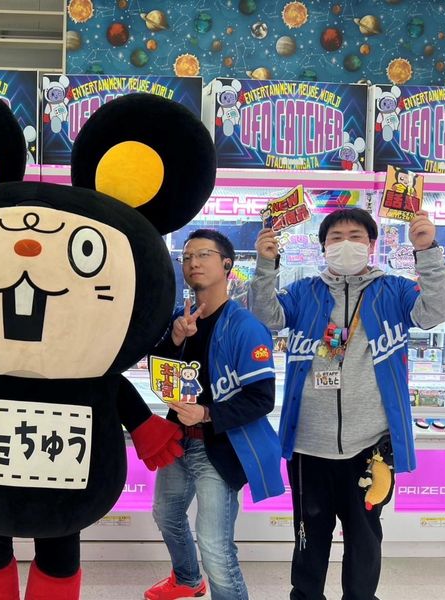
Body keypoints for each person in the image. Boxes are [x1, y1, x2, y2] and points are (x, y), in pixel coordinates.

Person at [249, 207, 445, 600]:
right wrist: (265, 265)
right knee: (309, 538)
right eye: (336, 237)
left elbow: (440, 309)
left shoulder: (394, 291)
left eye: (356, 236)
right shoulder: (303, 291)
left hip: (370, 448)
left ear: (372, 245)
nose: (346, 244)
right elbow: (266, 316)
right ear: (323, 246)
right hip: (308, 446)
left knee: (364, 539)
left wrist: (427, 251)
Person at [145, 229, 284, 600]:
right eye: (187, 256)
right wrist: (175, 339)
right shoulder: (180, 318)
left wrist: (206, 413)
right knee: (166, 514)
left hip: (218, 448)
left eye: (203, 254)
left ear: (227, 265)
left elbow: (261, 399)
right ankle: (188, 579)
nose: (193, 262)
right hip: (177, 442)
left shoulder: (246, 327)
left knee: (215, 547)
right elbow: (159, 371)